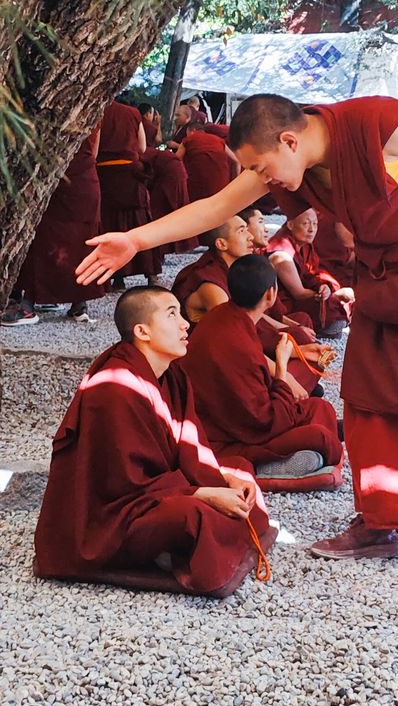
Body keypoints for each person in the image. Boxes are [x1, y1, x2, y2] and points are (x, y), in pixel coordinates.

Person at [76, 92, 398, 600]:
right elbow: (215, 207)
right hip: (386, 279)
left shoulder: (377, 122)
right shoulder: (286, 160)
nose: (261, 179)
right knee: (368, 395)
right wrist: (135, 241)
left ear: (289, 141)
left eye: (260, 167)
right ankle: (380, 522)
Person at [33, 285, 275, 597]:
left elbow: (190, 447)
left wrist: (224, 480)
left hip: (157, 490)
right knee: (195, 517)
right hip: (110, 517)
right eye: (172, 315)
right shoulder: (115, 387)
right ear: (142, 331)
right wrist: (204, 495)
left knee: (240, 471)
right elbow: (123, 484)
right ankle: (169, 550)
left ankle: (174, 548)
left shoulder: (173, 375)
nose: (185, 324)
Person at [182, 255, 343, 481]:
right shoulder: (238, 341)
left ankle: (301, 456)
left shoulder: (222, 314)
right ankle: (270, 465)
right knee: (322, 438)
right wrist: (282, 370)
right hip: (225, 439)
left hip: (233, 420)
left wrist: (296, 354)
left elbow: (262, 344)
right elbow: (263, 421)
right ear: (270, 294)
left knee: (321, 408)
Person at [172, 216, 323, 396]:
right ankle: (285, 389)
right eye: (242, 231)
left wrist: (288, 328)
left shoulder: (235, 269)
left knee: (301, 329)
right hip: (220, 362)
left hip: (243, 341)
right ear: (221, 244)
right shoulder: (211, 287)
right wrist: (286, 373)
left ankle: (294, 383)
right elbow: (237, 341)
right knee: (306, 353)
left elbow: (252, 313)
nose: (250, 236)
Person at [2, 129, 105, 326]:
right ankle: (78, 304)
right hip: (84, 176)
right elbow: (94, 152)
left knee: (44, 236)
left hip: (55, 173)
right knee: (80, 239)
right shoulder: (95, 114)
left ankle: (29, 304)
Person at [97, 99, 161, 289]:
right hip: (130, 172)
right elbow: (142, 148)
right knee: (140, 220)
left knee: (110, 222)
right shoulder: (132, 113)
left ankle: (117, 277)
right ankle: (151, 274)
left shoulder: (97, 111)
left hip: (106, 173)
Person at [267, 208, 353, 338]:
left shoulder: (304, 244)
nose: (312, 229)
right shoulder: (281, 254)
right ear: (290, 224)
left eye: (315, 224)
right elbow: (299, 293)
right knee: (330, 309)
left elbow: (313, 273)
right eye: (306, 224)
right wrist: (334, 296)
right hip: (286, 305)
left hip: (306, 296)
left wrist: (323, 287)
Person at [142, 146, 199, 255]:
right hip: (173, 168)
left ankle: (165, 247)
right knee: (177, 207)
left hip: (169, 171)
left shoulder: (135, 152)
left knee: (160, 209)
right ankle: (180, 245)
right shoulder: (143, 151)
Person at [176, 121, 234, 203]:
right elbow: (236, 161)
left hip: (198, 191)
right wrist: (233, 183)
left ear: (193, 131)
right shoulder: (219, 140)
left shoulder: (189, 139)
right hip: (222, 189)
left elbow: (175, 161)